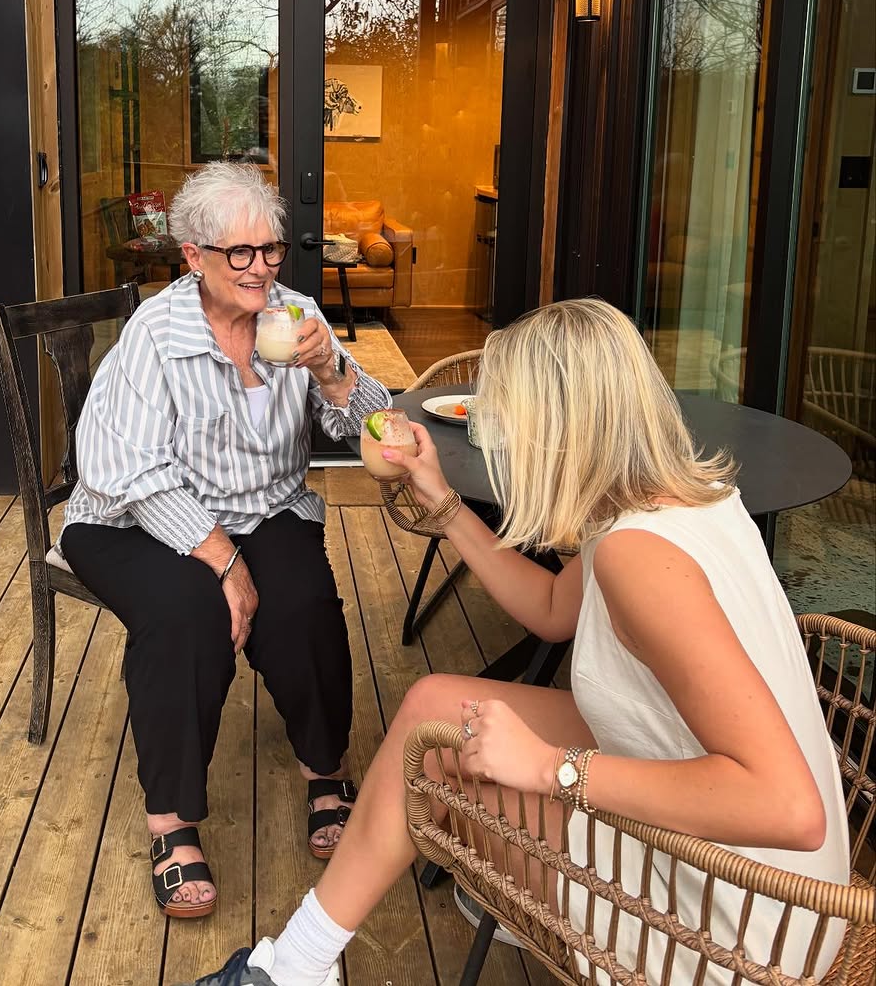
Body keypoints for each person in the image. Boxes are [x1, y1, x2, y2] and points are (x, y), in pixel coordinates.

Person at [183, 297, 849, 985]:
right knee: (433, 707)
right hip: (778, 881)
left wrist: (552, 769)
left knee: (434, 767)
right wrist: (441, 501)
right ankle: (298, 965)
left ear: (556, 429)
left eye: (503, 421)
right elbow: (554, 610)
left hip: (736, 928)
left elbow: (788, 808)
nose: (496, 441)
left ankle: (294, 968)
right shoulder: (682, 494)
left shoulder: (640, 559)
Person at [58, 162, 391, 918]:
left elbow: (369, 424)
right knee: (188, 613)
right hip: (129, 516)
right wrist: (227, 564)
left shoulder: (296, 316)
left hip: (261, 506)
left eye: (269, 248)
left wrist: (331, 369)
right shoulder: (156, 335)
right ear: (194, 256)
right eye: (238, 252)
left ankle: (324, 768)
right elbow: (128, 472)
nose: (260, 267)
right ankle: (171, 823)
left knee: (303, 602)